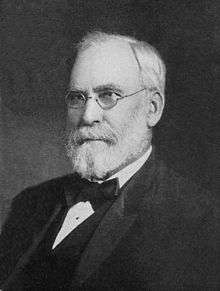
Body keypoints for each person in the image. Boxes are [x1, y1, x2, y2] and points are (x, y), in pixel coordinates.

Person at [0, 31, 218, 290]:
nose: (88, 115)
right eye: (77, 97)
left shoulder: (200, 221)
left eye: (109, 95)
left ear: (152, 108)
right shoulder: (30, 202)